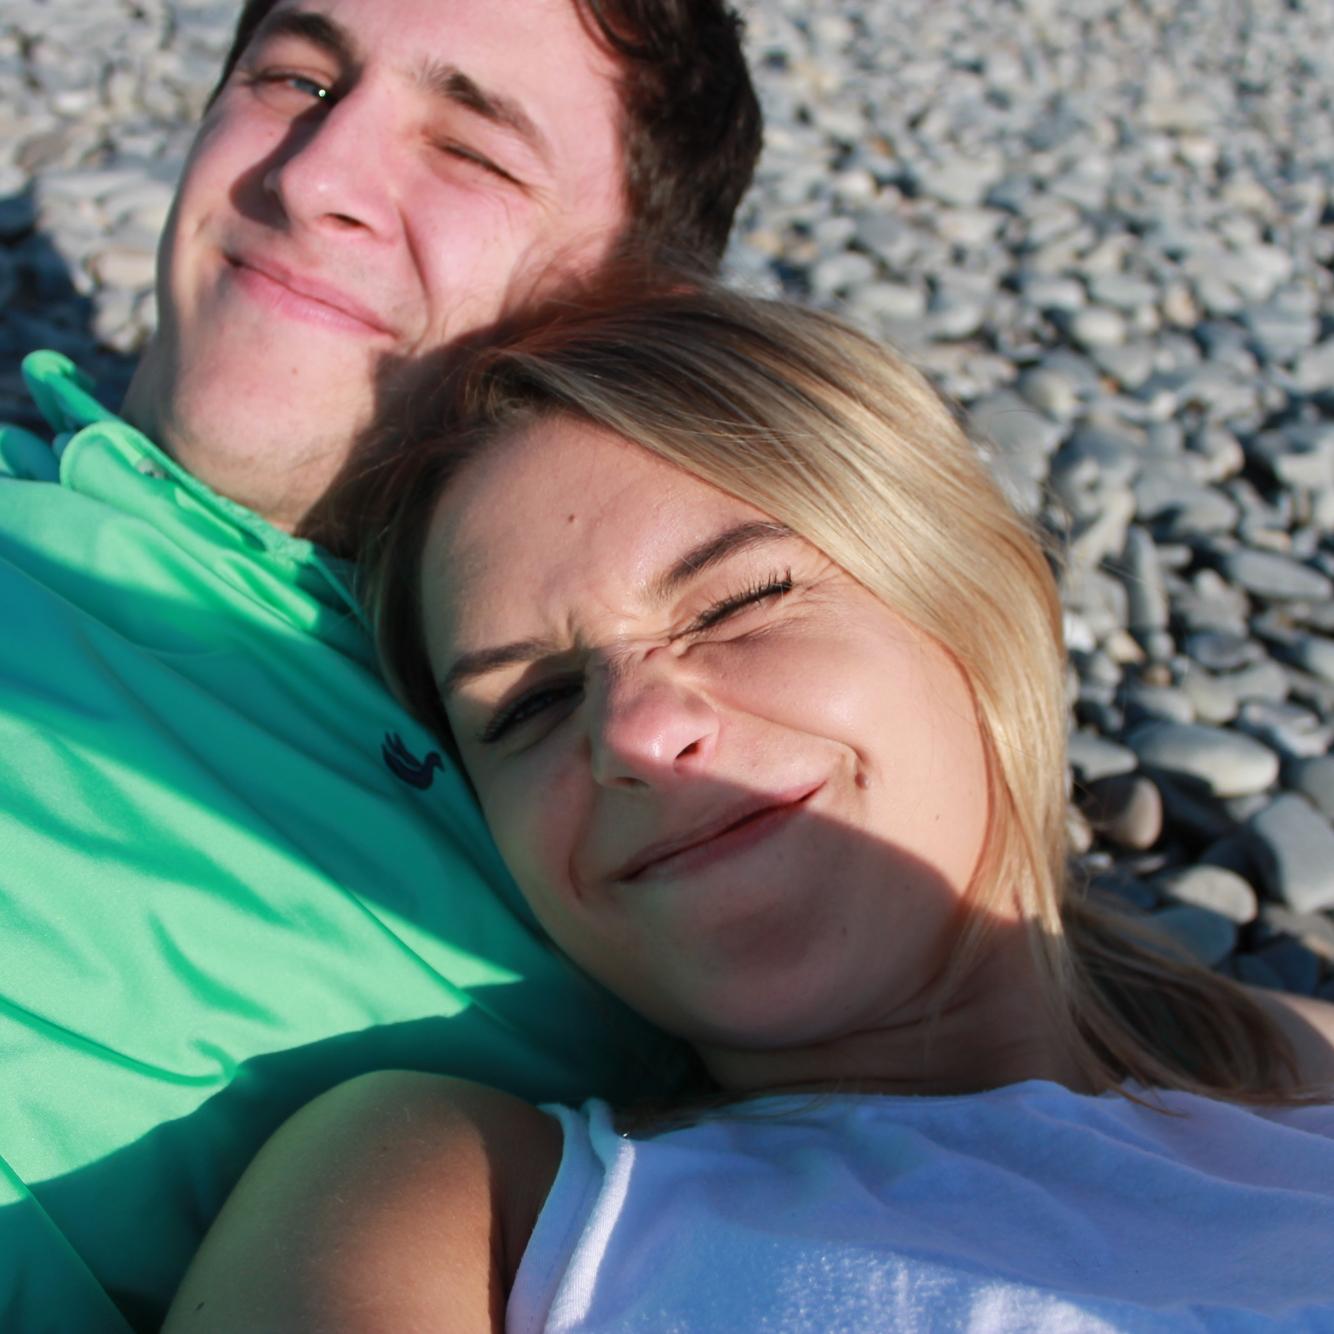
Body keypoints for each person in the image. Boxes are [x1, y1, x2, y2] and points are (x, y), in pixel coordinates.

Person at [163, 284, 1334, 1331]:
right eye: (531, 704)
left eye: (737, 600)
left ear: (977, 597)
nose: (633, 731)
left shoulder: (1295, 1082)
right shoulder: (451, 1197)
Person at [0, 3, 760, 1329]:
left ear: (637, 314)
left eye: (470, 150)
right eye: (295, 80)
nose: (311, 178)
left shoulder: (606, 816)